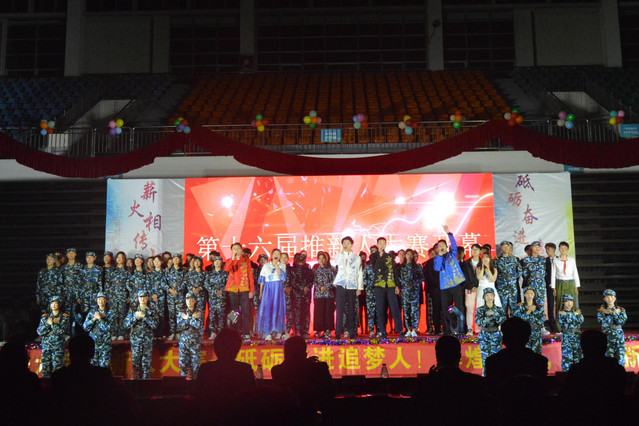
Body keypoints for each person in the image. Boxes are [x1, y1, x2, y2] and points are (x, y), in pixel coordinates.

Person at [412, 336, 485, 424]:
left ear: (437, 356)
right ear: (459, 357)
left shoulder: (425, 385)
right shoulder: (476, 383)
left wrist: (430, 378)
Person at [560, 329, 626, 423]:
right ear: (605, 347)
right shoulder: (616, 369)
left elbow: (565, 398)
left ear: (582, 348)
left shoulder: (577, 371)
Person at [271, 336, 334, 421]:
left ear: (286, 352)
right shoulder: (319, 368)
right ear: (304, 352)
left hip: (285, 416)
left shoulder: (277, 371)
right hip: (313, 414)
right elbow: (331, 391)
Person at [194, 328, 255, 409]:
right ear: (237, 349)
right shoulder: (245, 370)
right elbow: (251, 400)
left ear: (216, 349)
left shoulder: (206, 369)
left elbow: (198, 397)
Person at [484, 316, 548, 387]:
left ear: (504, 339)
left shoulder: (493, 362)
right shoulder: (540, 361)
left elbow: (491, 389)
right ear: (527, 338)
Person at [434, 226, 466, 335]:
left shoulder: (452, 255)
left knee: (459, 307)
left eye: (442, 245)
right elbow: (437, 268)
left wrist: (449, 234)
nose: (441, 247)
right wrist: (439, 256)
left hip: (455, 284)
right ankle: (447, 330)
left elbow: (454, 245)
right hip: (445, 287)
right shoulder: (437, 259)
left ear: (446, 247)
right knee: (445, 309)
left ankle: (461, 330)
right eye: (439, 246)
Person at [370, 237, 403, 339]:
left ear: (385, 245)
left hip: (390, 285)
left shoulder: (390, 256)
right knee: (380, 309)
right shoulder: (373, 256)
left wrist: (397, 285)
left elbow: (394, 271)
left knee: (395, 307)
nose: (382, 245)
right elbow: (375, 269)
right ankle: (382, 331)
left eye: (383, 243)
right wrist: (380, 257)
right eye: (380, 243)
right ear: (377, 245)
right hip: (379, 285)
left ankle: (400, 330)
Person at [333, 236, 363, 340]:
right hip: (341, 285)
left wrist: (359, 288)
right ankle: (338, 332)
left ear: (351, 245)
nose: (345, 244)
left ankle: (352, 331)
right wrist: (342, 254)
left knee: (351, 309)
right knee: (339, 309)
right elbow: (337, 262)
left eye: (347, 243)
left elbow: (359, 273)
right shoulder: (339, 255)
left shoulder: (357, 258)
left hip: (352, 285)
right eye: (344, 243)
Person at [124, 290, 158, 379]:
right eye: (140, 297)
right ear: (138, 298)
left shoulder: (152, 310)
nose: (142, 299)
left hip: (147, 339)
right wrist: (135, 317)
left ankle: (146, 385)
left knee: (146, 365)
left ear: (147, 298)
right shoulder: (133, 310)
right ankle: (135, 385)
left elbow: (155, 325)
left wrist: (145, 316)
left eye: (144, 297)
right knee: (135, 365)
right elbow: (126, 325)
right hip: (136, 339)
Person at [224, 242, 255, 339]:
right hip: (233, 289)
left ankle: (246, 333)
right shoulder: (230, 260)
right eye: (234, 249)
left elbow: (250, 275)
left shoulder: (246, 260)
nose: (236, 250)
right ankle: (235, 332)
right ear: (232, 251)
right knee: (235, 312)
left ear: (241, 250)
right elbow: (226, 269)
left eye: (238, 248)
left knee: (246, 311)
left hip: (244, 288)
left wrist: (251, 290)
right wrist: (233, 258)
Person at [256, 248, 287, 340]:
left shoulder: (282, 265)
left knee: (277, 309)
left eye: (278, 254)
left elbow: (282, 277)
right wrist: (261, 292)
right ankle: (267, 332)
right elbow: (262, 280)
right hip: (268, 289)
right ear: (272, 255)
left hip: (278, 289)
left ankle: (277, 331)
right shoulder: (266, 266)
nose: (276, 255)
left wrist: (277, 266)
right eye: (274, 254)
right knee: (268, 309)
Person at [475, 288, 506, 375]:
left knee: (497, 359)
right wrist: (488, 317)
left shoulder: (499, 310)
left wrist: (494, 314)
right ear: (484, 297)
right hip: (485, 336)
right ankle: (485, 377)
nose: (489, 297)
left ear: (494, 296)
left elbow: (502, 321)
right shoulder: (480, 310)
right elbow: (478, 322)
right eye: (487, 295)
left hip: (496, 335)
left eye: (491, 295)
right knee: (485, 360)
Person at [37, 295, 69, 377]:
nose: (53, 305)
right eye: (52, 303)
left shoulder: (64, 317)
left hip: (58, 347)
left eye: (56, 303)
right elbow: (40, 331)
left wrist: (52, 324)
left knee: (58, 370)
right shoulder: (45, 317)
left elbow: (61, 332)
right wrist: (48, 325)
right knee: (46, 370)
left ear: (60, 304)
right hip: (46, 347)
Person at [551, 241, 580, 331]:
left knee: (572, 302)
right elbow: (553, 274)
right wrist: (553, 288)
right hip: (560, 283)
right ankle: (559, 327)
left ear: (567, 250)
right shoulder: (555, 260)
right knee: (560, 302)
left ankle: (573, 326)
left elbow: (575, 273)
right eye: (561, 248)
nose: (563, 250)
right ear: (559, 249)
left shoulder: (571, 260)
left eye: (565, 248)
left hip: (570, 283)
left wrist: (576, 286)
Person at [82, 292, 114, 368]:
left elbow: (109, 328)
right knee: (93, 367)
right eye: (99, 299)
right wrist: (93, 319)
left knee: (104, 367)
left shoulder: (110, 313)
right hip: (94, 343)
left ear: (106, 301)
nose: (100, 301)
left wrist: (100, 318)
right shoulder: (92, 312)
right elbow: (85, 327)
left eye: (102, 299)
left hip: (105, 344)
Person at [177, 292, 204, 378]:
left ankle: (195, 384)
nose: (189, 301)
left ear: (195, 301)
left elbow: (198, 325)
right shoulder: (181, 313)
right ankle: (183, 384)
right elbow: (181, 326)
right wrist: (192, 318)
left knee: (196, 367)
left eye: (191, 299)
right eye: (187, 299)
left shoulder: (199, 312)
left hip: (195, 343)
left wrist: (187, 318)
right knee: (183, 366)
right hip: (184, 343)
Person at [597, 289, 627, 366]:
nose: (610, 299)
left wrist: (611, 313)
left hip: (619, 337)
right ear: (604, 299)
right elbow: (603, 324)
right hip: (608, 337)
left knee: (620, 358)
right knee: (608, 359)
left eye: (611, 297)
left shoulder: (621, 310)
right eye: (607, 297)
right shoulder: (601, 311)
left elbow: (620, 321)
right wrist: (614, 313)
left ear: (615, 298)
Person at [287, 253, 314, 338]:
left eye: (303, 259)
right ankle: (297, 331)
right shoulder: (293, 271)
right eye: (299, 259)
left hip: (306, 295)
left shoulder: (309, 271)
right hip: (296, 295)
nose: (301, 261)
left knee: (306, 313)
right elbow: (293, 283)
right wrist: (302, 288)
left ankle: (305, 331)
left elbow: (311, 281)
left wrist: (308, 287)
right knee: (297, 313)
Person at [104, 251, 129, 340]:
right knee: (113, 315)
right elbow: (107, 284)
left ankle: (121, 333)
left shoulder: (127, 270)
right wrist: (107, 296)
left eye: (121, 257)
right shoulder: (112, 270)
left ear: (124, 259)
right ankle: (114, 333)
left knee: (122, 314)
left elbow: (130, 284)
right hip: (112, 296)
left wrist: (129, 295)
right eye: (118, 257)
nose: (119, 259)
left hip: (123, 295)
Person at [399, 249, 424, 337]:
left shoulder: (417, 267)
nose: (409, 256)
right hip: (405, 292)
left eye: (411, 254)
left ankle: (414, 329)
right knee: (406, 312)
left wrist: (414, 284)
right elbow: (398, 278)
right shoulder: (401, 267)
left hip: (414, 292)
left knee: (414, 311)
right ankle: (408, 329)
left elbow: (422, 278)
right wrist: (405, 284)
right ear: (405, 256)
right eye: (408, 254)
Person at [493, 241, 522, 317]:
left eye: (507, 246)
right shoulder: (496, 260)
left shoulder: (514, 259)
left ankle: (513, 323)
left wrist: (512, 279)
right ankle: (503, 324)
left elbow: (519, 272)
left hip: (512, 288)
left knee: (514, 308)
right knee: (502, 308)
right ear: (501, 248)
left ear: (510, 248)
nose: (506, 248)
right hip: (502, 288)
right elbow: (494, 273)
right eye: (504, 246)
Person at [513, 287, 544, 354]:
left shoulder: (539, 307)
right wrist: (528, 311)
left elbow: (541, 321)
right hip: (524, 333)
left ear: (534, 295)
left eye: (531, 293)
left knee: (536, 354)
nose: (529, 295)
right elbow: (518, 320)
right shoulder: (520, 307)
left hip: (536, 333)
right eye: (527, 293)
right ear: (524, 295)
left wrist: (534, 312)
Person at [204, 253, 228, 340]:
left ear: (221, 263)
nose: (217, 263)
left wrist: (222, 291)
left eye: (219, 261)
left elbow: (228, 284)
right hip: (212, 298)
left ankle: (221, 332)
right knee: (212, 316)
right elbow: (206, 284)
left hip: (221, 298)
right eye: (215, 261)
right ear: (213, 263)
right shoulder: (209, 274)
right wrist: (214, 291)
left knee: (221, 315)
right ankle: (213, 332)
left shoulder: (225, 274)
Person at [312, 251, 336, 338]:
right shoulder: (315, 270)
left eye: (323, 258)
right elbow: (313, 280)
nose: (322, 260)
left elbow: (334, 281)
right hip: (319, 294)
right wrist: (319, 287)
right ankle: (319, 330)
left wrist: (326, 287)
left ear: (326, 259)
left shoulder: (331, 269)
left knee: (328, 313)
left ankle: (328, 330)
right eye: (320, 258)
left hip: (329, 294)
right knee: (319, 313)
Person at [557, 294, 583, 371]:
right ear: (563, 302)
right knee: (567, 359)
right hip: (567, 338)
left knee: (579, 359)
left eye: (571, 301)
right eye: (567, 301)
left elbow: (581, 320)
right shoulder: (561, 313)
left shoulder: (576, 312)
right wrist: (575, 314)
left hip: (577, 337)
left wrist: (572, 315)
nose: (569, 303)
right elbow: (567, 319)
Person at [61, 248, 83, 336]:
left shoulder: (80, 266)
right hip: (66, 293)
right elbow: (61, 281)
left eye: (72, 253)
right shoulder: (63, 267)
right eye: (69, 253)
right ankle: (67, 333)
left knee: (75, 313)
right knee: (66, 313)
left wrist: (80, 295)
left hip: (76, 293)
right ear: (66, 255)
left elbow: (82, 280)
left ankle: (75, 333)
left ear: (75, 254)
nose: (71, 254)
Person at [165, 253, 186, 340]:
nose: (176, 260)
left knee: (180, 314)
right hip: (170, 296)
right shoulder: (168, 271)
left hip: (179, 296)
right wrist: (170, 290)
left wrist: (178, 290)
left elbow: (185, 282)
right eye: (174, 258)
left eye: (177, 258)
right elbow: (164, 283)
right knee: (171, 315)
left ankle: (179, 332)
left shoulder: (183, 271)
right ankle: (172, 332)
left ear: (180, 260)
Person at [461, 244, 480, 334]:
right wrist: (471, 286)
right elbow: (464, 277)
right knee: (469, 308)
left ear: (480, 251)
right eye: (473, 249)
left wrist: (476, 286)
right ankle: (469, 328)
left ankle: (478, 328)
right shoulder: (466, 263)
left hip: (480, 288)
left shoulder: (482, 262)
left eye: (477, 249)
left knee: (479, 308)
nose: (475, 251)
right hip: (469, 288)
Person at [148, 255, 169, 338]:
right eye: (155, 261)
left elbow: (165, 285)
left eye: (158, 261)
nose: (156, 263)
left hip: (161, 296)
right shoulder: (150, 273)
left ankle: (161, 333)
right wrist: (153, 294)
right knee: (152, 314)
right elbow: (148, 285)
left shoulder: (165, 272)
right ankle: (153, 333)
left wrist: (158, 295)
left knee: (161, 315)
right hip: (152, 296)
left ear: (162, 262)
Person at [423, 247, 442, 334]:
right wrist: (438, 284)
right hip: (434, 289)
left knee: (444, 310)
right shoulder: (429, 263)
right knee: (435, 310)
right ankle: (436, 328)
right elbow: (428, 276)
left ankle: (444, 327)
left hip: (444, 289)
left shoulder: (445, 261)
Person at [361, 251, 377, 338]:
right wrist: (371, 284)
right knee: (370, 312)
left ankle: (379, 330)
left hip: (379, 293)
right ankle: (371, 330)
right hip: (370, 293)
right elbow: (364, 280)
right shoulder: (367, 268)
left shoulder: (380, 268)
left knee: (379, 312)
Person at [543, 242, 557, 332]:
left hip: (559, 285)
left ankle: (560, 324)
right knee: (550, 306)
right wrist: (550, 284)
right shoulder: (545, 261)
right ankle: (552, 326)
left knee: (560, 304)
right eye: (546, 249)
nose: (547, 251)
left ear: (554, 249)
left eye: (549, 249)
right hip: (549, 286)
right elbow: (545, 274)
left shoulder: (559, 259)